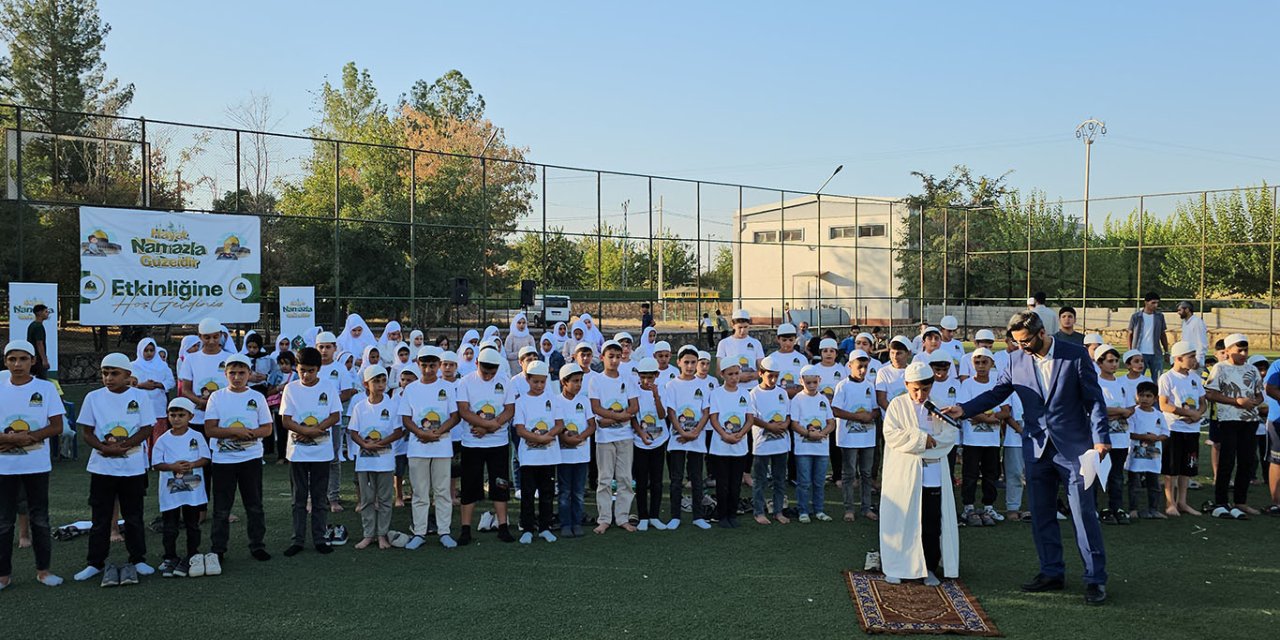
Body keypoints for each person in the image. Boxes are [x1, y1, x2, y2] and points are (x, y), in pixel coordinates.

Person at [944, 310, 1110, 606]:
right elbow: (997, 393)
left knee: (1083, 515)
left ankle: (1095, 579)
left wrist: (1100, 440)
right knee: (1041, 513)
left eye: (1026, 341)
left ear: (1042, 333)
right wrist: (964, 408)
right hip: (1035, 448)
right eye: (1017, 342)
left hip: (1075, 449)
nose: (1021, 346)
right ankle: (1051, 572)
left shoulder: (1075, 355)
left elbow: (1094, 400)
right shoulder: (1015, 360)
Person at [74, 352, 156, 586]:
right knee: (100, 517)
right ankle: (95, 563)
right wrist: (103, 447)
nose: (109, 378)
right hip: (102, 467)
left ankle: (138, 558)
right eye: (105, 373)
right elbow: (87, 432)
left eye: (114, 373)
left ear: (127, 375)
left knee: (133, 516)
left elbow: (146, 428)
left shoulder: (140, 397)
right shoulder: (93, 397)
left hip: (132, 467)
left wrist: (125, 446)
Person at [880, 361, 960, 586]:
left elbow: (949, 436)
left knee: (931, 521)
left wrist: (926, 443)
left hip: (933, 473)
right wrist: (921, 439)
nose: (920, 394)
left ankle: (928, 568)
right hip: (903, 473)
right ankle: (897, 565)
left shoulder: (940, 405)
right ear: (906, 385)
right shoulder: (896, 405)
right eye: (915, 389)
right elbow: (892, 436)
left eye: (925, 389)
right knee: (902, 519)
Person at [0, 340, 65, 590]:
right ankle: (3, 575)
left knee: (40, 519)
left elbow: (57, 426)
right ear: (5, 361)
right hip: (4, 468)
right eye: (12, 359)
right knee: (4, 521)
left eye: (23, 359)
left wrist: (27, 438)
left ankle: (43, 571)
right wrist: (10, 439)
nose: (18, 364)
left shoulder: (45, 389)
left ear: (33, 361)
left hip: (36, 466)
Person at [204, 353, 274, 565]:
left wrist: (249, 434)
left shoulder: (257, 397)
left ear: (249, 374)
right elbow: (210, 429)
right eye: (232, 373)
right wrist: (237, 433)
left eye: (241, 373)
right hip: (223, 461)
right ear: (225, 374)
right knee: (222, 508)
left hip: (250, 459)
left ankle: (257, 545)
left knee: (254, 505)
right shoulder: (217, 397)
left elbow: (267, 429)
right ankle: (218, 548)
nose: (236, 377)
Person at [279, 347, 342, 556]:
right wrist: (306, 431)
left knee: (319, 497)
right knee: (298, 497)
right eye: (302, 370)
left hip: (321, 453)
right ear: (296, 368)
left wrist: (316, 431)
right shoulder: (291, 388)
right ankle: (297, 540)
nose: (306, 375)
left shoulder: (329, 387)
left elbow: (335, 416)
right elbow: (286, 420)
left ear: (319, 369)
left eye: (311, 370)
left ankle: (320, 538)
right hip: (297, 452)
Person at [399, 346, 460, 550]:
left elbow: (454, 416)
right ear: (418, 364)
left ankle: (444, 531)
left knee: (442, 491)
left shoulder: (449, 387)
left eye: (432, 365)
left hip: (441, 446)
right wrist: (421, 433)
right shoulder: (411, 388)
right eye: (424, 365)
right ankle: (419, 532)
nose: (428, 370)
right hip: (418, 447)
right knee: (420, 492)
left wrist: (438, 432)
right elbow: (406, 418)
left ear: (439, 365)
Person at [455, 349, 517, 544]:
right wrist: (488, 425)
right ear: (477, 364)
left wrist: (489, 427)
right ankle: (465, 529)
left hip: (498, 443)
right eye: (485, 372)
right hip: (472, 443)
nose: (489, 376)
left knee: (500, 484)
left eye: (492, 372)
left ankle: (503, 526)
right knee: (469, 485)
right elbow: (464, 411)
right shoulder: (465, 382)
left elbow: (510, 409)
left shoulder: (505, 381)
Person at [1203, 334, 1263, 519]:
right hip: (1228, 420)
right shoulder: (1220, 368)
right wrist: (1236, 401)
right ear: (1228, 351)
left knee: (1247, 461)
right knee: (1227, 461)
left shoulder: (1251, 369)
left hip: (1250, 421)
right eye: (1239, 350)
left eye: (1246, 350)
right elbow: (1210, 394)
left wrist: (1254, 402)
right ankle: (1221, 501)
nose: (1244, 354)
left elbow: (1259, 394)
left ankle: (1240, 501)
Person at [152, 398, 209, 578]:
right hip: (170, 492)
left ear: (190, 416)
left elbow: (205, 458)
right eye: (173, 415)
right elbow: (156, 464)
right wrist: (173, 467)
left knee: (193, 524)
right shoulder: (163, 439)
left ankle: (192, 554)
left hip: (193, 489)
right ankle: (170, 556)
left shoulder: (197, 436)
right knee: (170, 525)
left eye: (181, 415)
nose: (176, 419)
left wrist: (191, 464)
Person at [348, 365, 403, 550]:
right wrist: (365, 445)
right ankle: (368, 534)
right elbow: (353, 432)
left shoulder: (393, 405)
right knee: (366, 499)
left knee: (386, 499)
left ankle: (382, 534)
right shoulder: (359, 407)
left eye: (383, 381)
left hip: (385, 460)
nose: (380, 385)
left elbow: (398, 431)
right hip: (364, 461)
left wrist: (380, 443)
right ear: (366, 384)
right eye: (376, 381)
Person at [588, 340, 639, 534]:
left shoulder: (627, 379)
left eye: (618, 357)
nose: (615, 360)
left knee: (625, 478)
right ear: (602, 358)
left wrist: (613, 418)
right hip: (604, 438)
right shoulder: (596, 380)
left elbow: (634, 407)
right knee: (605, 479)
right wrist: (619, 416)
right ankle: (604, 519)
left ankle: (623, 517)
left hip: (625, 436)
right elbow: (596, 408)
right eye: (611, 357)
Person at [513, 360, 562, 544]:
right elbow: (520, 429)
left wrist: (548, 435)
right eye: (536, 382)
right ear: (527, 380)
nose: (539, 386)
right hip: (529, 458)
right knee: (527, 494)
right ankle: (527, 528)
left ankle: (545, 527)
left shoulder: (553, 399)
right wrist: (540, 439)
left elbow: (559, 424)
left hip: (548, 457)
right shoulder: (521, 401)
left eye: (543, 382)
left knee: (547, 493)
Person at [665, 347, 712, 530]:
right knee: (676, 479)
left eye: (694, 362)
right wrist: (682, 433)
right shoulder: (672, 385)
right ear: (678, 363)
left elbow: (706, 412)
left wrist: (695, 433)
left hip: (696, 439)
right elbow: (670, 412)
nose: (690, 366)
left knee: (696, 477)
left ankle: (698, 516)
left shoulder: (703, 385)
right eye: (686, 362)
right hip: (677, 439)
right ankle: (675, 516)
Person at [959, 348, 1006, 527]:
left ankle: (988, 506)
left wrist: (993, 417)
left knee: (990, 474)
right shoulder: (967, 385)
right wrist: (988, 418)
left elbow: (1005, 410)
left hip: (992, 441)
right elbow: (965, 410)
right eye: (977, 363)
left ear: (992, 364)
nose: (980, 366)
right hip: (972, 440)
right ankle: (969, 506)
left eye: (984, 362)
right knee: (969, 474)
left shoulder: (997, 385)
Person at [1158, 341, 1205, 518]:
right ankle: (1170, 503)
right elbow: (1163, 404)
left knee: (1188, 467)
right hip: (1173, 428)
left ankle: (1182, 502)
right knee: (1171, 468)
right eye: (1191, 356)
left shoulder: (1195, 378)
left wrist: (1197, 414)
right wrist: (1185, 412)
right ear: (1179, 358)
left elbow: (1202, 402)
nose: (1194, 360)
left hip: (1192, 429)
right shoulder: (1167, 378)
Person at [832, 350, 878, 522]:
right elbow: (835, 410)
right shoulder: (842, 386)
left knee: (866, 473)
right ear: (850, 366)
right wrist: (859, 417)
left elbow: (875, 409)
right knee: (849, 473)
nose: (863, 371)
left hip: (868, 437)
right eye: (860, 367)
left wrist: (871, 416)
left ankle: (866, 508)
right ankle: (849, 508)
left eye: (866, 367)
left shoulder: (870, 385)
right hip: (849, 438)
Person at [315, 331, 358, 514]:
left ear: (335, 348)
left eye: (328, 347)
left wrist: (330, 403)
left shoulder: (340, 368)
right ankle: (315, 497)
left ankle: (333, 498)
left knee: (333, 459)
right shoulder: (312, 367)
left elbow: (347, 392)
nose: (324, 351)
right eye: (321, 347)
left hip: (333, 420)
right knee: (314, 459)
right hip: (312, 421)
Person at [1092, 345, 1133, 525]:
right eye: (1110, 361)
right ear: (1100, 363)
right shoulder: (1096, 383)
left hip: (1121, 437)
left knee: (1116, 475)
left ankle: (1116, 507)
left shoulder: (1122, 383)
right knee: (1096, 474)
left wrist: (1118, 412)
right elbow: (1097, 410)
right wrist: (1118, 411)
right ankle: (1093, 508)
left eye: (1116, 361)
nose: (1114, 364)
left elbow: (1131, 408)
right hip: (1100, 438)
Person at [708, 361, 752, 528]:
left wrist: (740, 434)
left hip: (739, 447)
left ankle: (732, 514)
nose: (734, 377)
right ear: (723, 375)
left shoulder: (746, 394)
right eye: (730, 374)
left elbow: (749, 419)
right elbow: (714, 418)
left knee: (735, 483)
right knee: (723, 483)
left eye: (736, 373)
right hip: (720, 447)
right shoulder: (716, 394)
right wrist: (725, 435)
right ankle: (722, 515)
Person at [555, 363, 597, 538]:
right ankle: (565, 523)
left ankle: (577, 521)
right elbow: (556, 425)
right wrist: (565, 437)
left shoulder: (584, 401)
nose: (579, 385)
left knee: (578, 491)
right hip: (564, 455)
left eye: (580, 381)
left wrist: (580, 438)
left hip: (581, 454)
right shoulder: (556, 401)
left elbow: (592, 425)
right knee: (565, 491)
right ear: (564, 382)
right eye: (575, 381)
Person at [750, 356, 791, 525]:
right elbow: (752, 417)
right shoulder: (754, 394)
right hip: (762, 445)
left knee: (780, 479)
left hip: (781, 443)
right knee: (759, 480)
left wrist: (785, 424)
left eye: (776, 376)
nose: (773, 380)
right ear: (760, 373)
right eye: (770, 376)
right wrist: (769, 426)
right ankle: (758, 511)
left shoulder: (782, 393)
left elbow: (788, 415)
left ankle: (778, 511)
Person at [792, 365, 835, 523]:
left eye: (814, 382)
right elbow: (794, 423)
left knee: (819, 481)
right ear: (801, 381)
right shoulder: (797, 399)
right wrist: (809, 434)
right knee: (804, 482)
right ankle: (803, 510)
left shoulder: (823, 399)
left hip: (821, 448)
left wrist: (822, 433)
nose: (811, 386)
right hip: (803, 448)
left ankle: (819, 510)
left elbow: (831, 422)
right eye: (808, 382)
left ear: (819, 381)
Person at [629, 358, 666, 532]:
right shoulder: (634, 391)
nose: (646, 381)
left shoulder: (662, 390)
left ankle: (654, 516)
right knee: (642, 481)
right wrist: (641, 433)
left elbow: (662, 414)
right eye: (642, 377)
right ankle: (643, 516)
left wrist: (656, 396)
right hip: (640, 442)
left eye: (650, 377)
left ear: (656, 375)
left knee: (657, 481)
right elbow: (633, 417)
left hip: (659, 441)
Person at [1126, 381, 1168, 519]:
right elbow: (1129, 433)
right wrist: (1143, 437)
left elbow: (1165, 432)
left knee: (1154, 483)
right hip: (1136, 453)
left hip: (1154, 455)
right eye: (1142, 395)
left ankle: (1153, 509)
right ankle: (1133, 509)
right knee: (1135, 483)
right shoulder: (1133, 413)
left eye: (1149, 396)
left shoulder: (1158, 415)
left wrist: (1156, 438)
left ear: (1155, 398)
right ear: (1136, 396)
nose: (1145, 399)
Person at [132, 337, 175, 446]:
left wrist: (158, 384)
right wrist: (142, 385)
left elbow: (171, 382)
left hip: (158, 405)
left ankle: (157, 459)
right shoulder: (133, 366)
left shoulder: (162, 365)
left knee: (158, 438)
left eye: (152, 350)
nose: (149, 353)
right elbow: (127, 384)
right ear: (140, 351)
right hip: (140, 405)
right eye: (146, 350)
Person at [717, 310, 764, 392]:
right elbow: (719, 371)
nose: (743, 331)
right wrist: (738, 377)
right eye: (740, 327)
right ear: (733, 325)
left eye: (745, 327)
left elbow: (762, 369)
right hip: (731, 389)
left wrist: (751, 376)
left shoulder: (756, 343)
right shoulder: (724, 343)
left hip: (752, 389)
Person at [1127, 292, 1170, 380]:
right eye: (1153, 303)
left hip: (1156, 354)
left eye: (1157, 303)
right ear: (1146, 302)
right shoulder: (1136, 317)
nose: (1156, 305)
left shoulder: (1160, 317)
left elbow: (1162, 334)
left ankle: (1157, 394)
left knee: (1158, 380)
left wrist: (1166, 351)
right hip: (1139, 353)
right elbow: (1130, 334)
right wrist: (1130, 351)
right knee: (1137, 378)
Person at [1177, 301, 1208, 368]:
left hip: (1195, 362)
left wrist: (1198, 360)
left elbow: (1202, 343)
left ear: (1187, 310)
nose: (1178, 313)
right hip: (1187, 360)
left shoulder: (1197, 322)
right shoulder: (1184, 323)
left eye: (1180, 310)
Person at [24, 304, 51, 379]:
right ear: (39, 313)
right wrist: (44, 360)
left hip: (33, 358)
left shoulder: (32, 325)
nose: (47, 313)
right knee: (42, 381)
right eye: (46, 311)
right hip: (38, 360)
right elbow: (39, 344)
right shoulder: (38, 327)